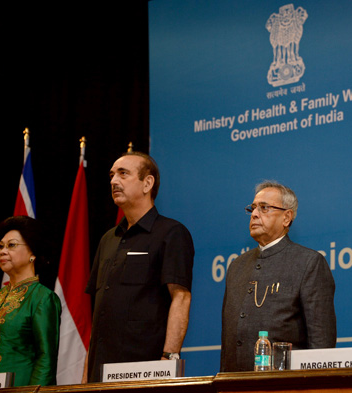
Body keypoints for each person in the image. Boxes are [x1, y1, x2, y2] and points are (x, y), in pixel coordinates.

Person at [83, 152, 194, 382]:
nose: (113, 181)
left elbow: (181, 297)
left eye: (123, 174)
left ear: (148, 183)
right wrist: (85, 375)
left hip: (144, 369)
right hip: (100, 373)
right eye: (112, 175)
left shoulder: (171, 233)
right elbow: (100, 312)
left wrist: (168, 359)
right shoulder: (107, 239)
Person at [221, 180, 336, 372]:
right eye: (253, 208)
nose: (255, 214)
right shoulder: (237, 266)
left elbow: (321, 344)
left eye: (264, 208)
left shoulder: (309, 262)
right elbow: (229, 340)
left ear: (287, 218)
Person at [0, 216, 61, 386]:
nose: (3, 251)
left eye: (11, 245)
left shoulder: (42, 297)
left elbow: (46, 359)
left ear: (32, 253)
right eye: (0, 247)